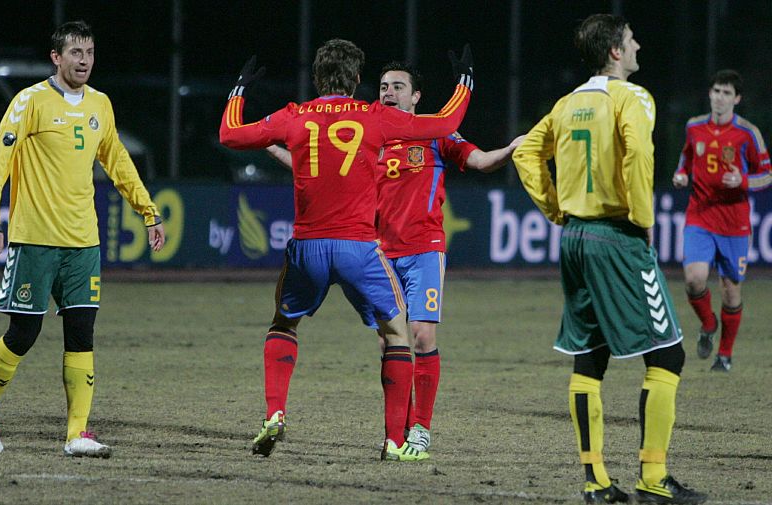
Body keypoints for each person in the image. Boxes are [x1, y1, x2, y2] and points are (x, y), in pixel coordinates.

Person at [219, 39, 473, 461]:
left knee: (283, 324)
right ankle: (395, 440)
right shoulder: (377, 117)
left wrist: (238, 91)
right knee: (397, 334)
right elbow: (446, 123)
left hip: (307, 247)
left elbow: (229, 133)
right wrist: (464, 82)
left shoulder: (295, 115)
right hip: (360, 248)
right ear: (357, 80)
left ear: (317, 78)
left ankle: (275, 412)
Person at [267, 61, 524, 453]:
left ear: (416, 96)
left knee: (421, 335)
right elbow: (310, 164)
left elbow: (481, 161)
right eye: (384, 86)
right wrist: (270, 144)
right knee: (391, 345)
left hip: (423, 249)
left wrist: (510, 150)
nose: (388, 92)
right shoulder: (373, 132)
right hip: (377, 253)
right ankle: (398, 435)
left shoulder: (437, 134)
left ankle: (421, 429)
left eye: (399, 86)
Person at [513, 14, 706, 504]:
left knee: (590, 357)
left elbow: (526, 153)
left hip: (575, 237)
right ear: (616, 52)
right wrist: (644, 218)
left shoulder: (566, 102)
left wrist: (555, 208)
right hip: (617, 236)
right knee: (667, 353)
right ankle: (654, 478)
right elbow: (638, 154)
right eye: (631, 39)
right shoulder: (630, 97)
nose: (639, 44)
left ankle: (596, 481)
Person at [0, 20, 165, 457]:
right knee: (24, 331)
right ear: (56, 58)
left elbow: (118, 162)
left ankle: (77, 432)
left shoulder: (101, 104)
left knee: (82, 331)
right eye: (76, 53)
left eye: (90, 53)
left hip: (83, 242)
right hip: (34, 239)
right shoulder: (30, 102)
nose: (84, 61)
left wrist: (148, 212)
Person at [672, 69, 771, 372]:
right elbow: (686, 157)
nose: (719, 97)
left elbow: (766, 175)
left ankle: (724, 355)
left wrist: (742, 180)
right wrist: (682, 174)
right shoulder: (694, 127)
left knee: (730, 289)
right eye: (716, 91)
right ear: (710, 94)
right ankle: (708, 323)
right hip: (700, 215)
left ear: (737, 99)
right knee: (693, 279)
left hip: (734, 223)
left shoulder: (747, 133)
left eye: (727, 93)